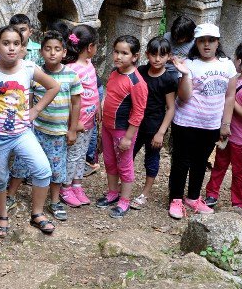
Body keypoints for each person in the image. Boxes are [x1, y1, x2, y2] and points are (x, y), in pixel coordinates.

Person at [0, 26, 60, 238]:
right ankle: (2, 215)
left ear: (22, 47)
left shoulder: (29, 68)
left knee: (42, 170)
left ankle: (37, 213)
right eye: (6, 43)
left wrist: (36, 110)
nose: (11, 48)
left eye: (16, 43)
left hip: (22, 134)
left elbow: (53, 87)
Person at [167, 23, 238, 220]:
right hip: (186, 122)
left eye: (211, 41)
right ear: (196, 43)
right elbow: (184, 96)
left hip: (211, 123)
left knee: (200, 161)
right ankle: (175, 199)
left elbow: (230, 96)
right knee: (181, 161)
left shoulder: (227, 65)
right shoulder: (189, 64)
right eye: (202, 41)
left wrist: (226, 123)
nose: (207, 45)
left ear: (218, 42)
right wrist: (185, 74)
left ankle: (193, 197)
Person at [22, 30, 82, 222]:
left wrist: (72, 129)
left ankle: (54, 201)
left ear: (64, 52)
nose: (52, 53)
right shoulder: (35, 74)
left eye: (57, 49)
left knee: (57, 169)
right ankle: (19, 197)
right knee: (28, 165)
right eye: (48, 49)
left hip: (58, 132)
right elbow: (29, 101)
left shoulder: (71, 76)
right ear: (41, 52)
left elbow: (76, 103)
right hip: (37, 130)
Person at [204, 42, 242, 209]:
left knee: (239, 170)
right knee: (219, 164)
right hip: (227, 132)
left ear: (239, 61)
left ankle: (238, 203)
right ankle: (211, 194)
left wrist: (229, 98)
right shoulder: (235, 79)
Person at [101, 35, 149, 218]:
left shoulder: (137, 82)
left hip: (122, 130)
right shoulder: (115, 72)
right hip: (107, 126)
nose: (119, 56)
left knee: (125, 164)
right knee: (109, 160)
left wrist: (128, 137)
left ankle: (125, 200)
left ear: (135, 57)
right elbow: (110, 94)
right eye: (116, 52)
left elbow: (138, 112)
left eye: (124, 53)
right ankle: (113, 192)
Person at [131, 36, 178, 208]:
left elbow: (171, 108)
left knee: (151, 159)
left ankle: (145, 192)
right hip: (135, 124)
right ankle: (125, 185)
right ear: (146, 54)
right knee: (128, 155)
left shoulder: (169, 79)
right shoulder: (141, 71)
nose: (157, 59)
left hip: (153, 127)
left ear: (169, 56)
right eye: (153, 55)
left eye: (162, 55)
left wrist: (161, 132)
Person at [62, 25, 99, 207]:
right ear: (90, 47)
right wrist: (73, 124)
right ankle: (66, 187)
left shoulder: (88, 64)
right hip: (77, 124)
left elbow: (92, 91)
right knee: (73, 155)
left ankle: (77, 184)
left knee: (82, 154)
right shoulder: (71, 69)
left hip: (89, 122)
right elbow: (70, 99)